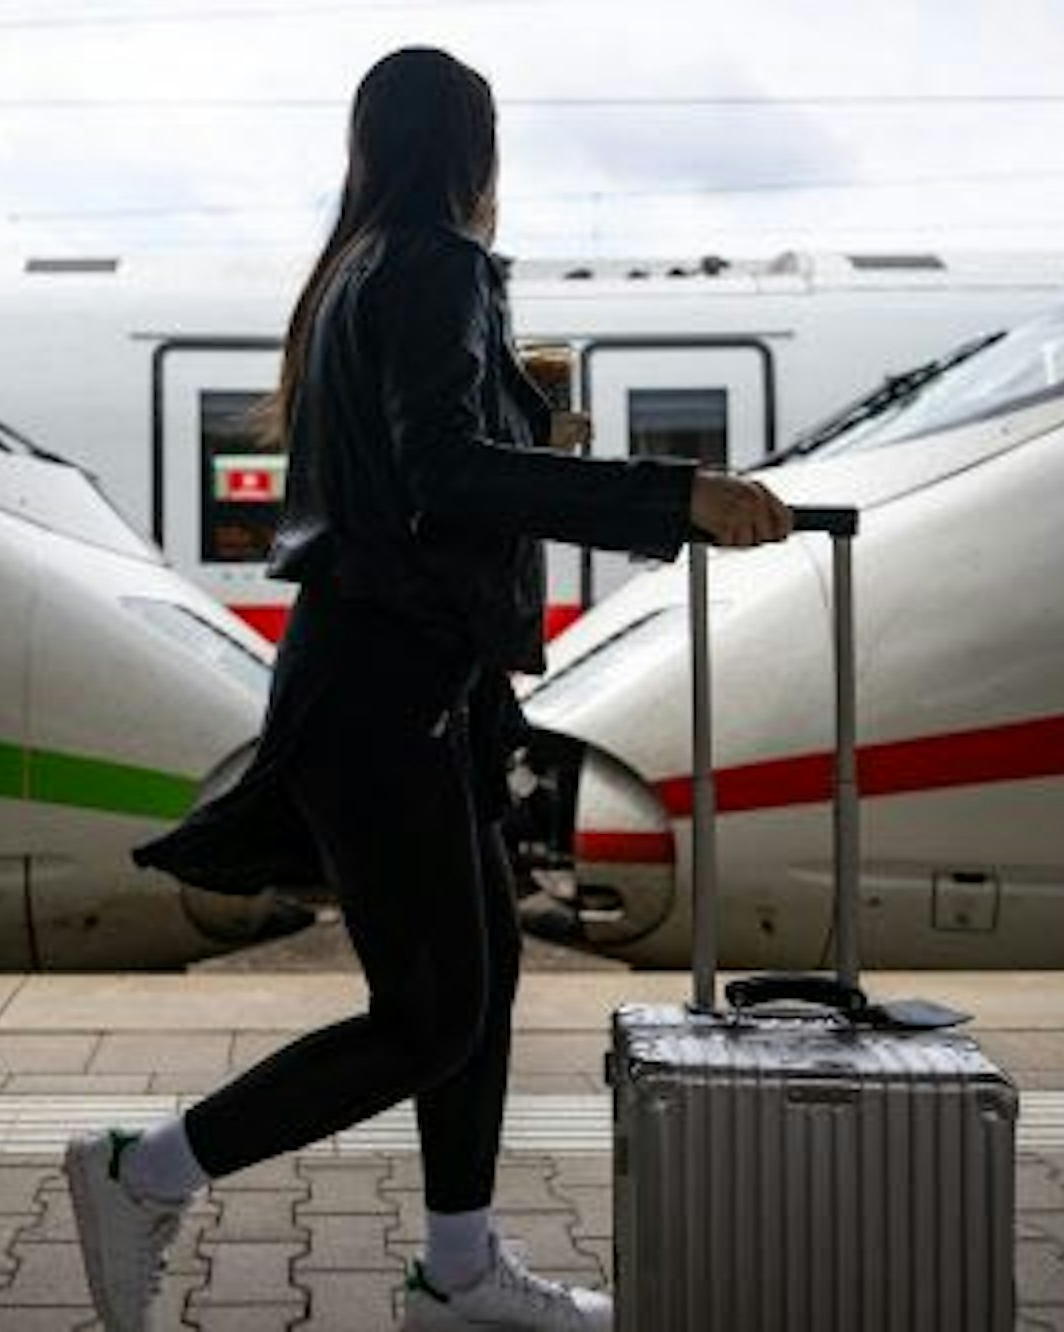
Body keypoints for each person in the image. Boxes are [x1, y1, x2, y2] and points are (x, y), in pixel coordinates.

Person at [63, 46, 794, 1332]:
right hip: (386, 686)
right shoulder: (438, 264)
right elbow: (445, 473)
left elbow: (417, 468)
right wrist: (673, 496)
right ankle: (145, 1169)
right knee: (431, 1017)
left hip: (409, 683)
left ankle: (458, 1272)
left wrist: (532, 443)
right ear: (475, 150)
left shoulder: (354, 271)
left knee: (487, 974)